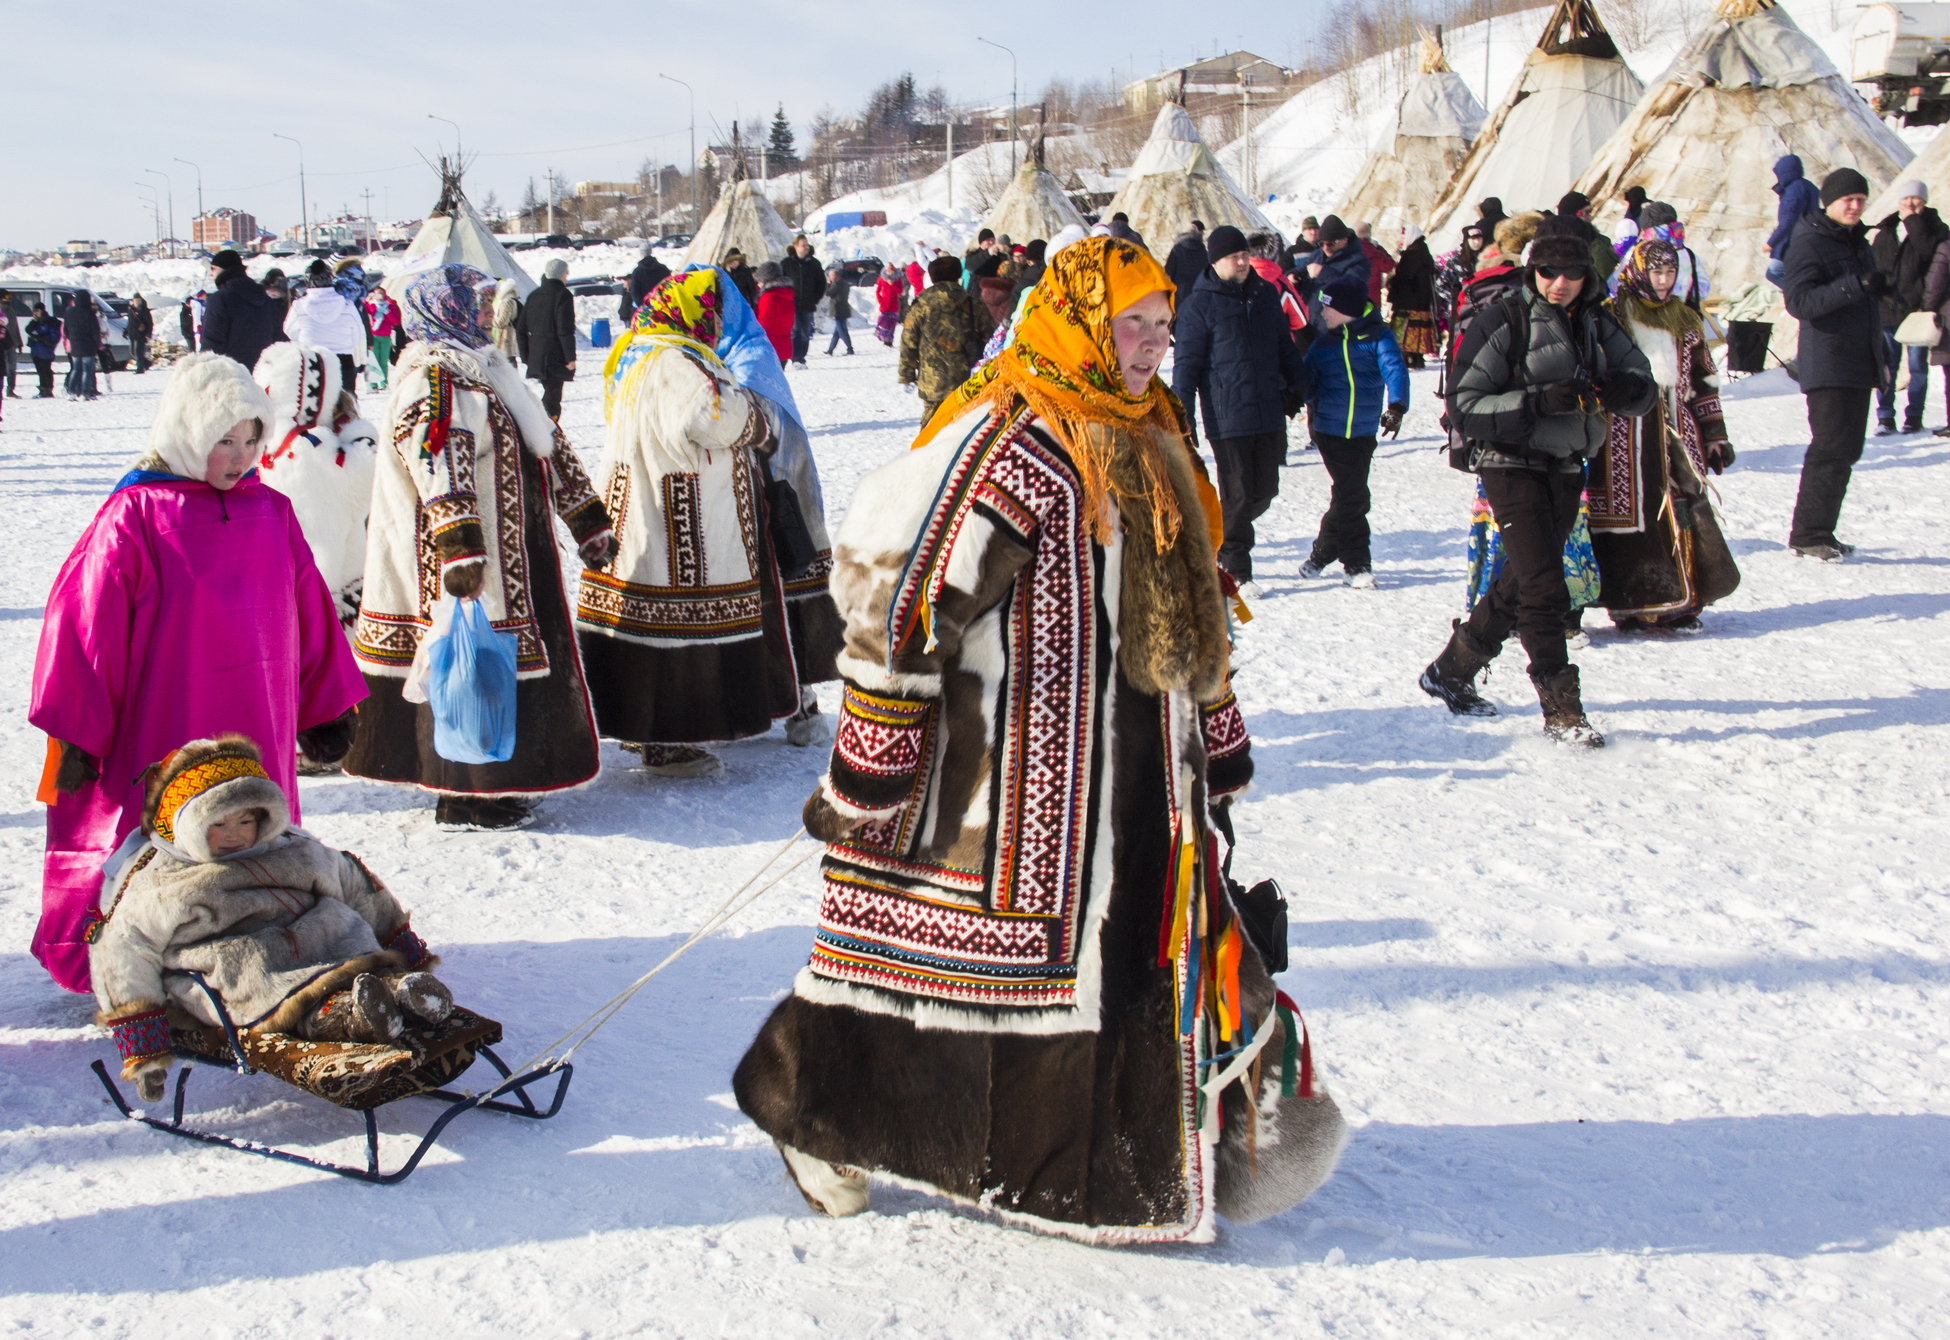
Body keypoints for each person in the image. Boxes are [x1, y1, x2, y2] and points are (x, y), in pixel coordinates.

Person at [732, 234, 1344, 1239]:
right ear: (1079, 321)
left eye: (1157, 326)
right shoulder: (1011, 441)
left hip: (1138, 770)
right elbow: (908, 604)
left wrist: (1217, 742)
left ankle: (1133, 1157)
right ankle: (813, 1115)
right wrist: (874, 768)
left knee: (1133, 969)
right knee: (909, 972)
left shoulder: (1149, 433)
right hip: (1008, 780)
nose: (1147, 348)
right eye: (1127, 325)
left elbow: (1198, 609)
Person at [30, 353, 366, 992]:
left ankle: (253, 950)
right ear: (186, 432)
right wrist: (76, 733)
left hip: (256, 725)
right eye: (223, 441)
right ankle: (141, 961)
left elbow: (310, 613)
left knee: (253, 832)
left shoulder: (271, 512)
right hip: (165, 721)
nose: (239, 457)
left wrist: (325, 706)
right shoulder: (136, 515)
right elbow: (85, 626)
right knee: (164, 840)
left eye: (250, 441)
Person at [344, 264, 612, 830]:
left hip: (511, 546)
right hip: (462, 558)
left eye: (488, 302)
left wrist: (586, 520)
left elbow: (546, 444)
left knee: (488, 663)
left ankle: (491, 784)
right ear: (447, 309)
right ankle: (466, 794)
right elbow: (440, 465)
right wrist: (462, 553)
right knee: (462, 663)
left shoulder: (486, 369)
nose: (490, 313)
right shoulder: (435, 379)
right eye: (479, 303)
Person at [87, 734, 453, 1103]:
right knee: (267, 976)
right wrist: (144, 1049)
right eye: (217, 826)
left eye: (245, 821)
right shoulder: (160, 880)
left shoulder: (293, 846)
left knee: (341, 922)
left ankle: (398, 992)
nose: (234, 836)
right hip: (236, 971)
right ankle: (349, 1015)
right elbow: (122, 953)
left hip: (320, 941)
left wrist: (404, 950)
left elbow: (357, 885)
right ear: (187, 825)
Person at [1416, 220, 1656, 747]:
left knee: (1525, 578)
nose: (1560, 283)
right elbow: (1466, 404)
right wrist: (1537, 402)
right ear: (1533, 272)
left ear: (1586, 277)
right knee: (1546, 586)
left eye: (1571, 273)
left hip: (1568, 464)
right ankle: (1563, 711)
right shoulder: (1504, 319)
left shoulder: (1598, 323)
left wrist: (1621, 386)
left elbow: (1645, 387)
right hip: (1509, 461)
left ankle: (1450, 670)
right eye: (1549, 272)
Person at [575, 269, 819, 775]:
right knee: (675, 625)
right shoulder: (673, 360)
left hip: (653, 505)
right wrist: (756, 419)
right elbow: (707, 416)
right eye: (706, 311)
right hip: (680, 517)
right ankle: (667, 740)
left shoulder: (641, 353)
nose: (711, 320)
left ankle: (649, 732)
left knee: (649, 624)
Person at [1588, 238, 1740, 631]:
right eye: (1656, 271)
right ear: (1638, 270)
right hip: (1625, 434)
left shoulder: (1686, 320)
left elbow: (1705, 380)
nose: (1663, 279)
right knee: (1632, 518)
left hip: (1677, 431)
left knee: (1683, 509)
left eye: (1670, 272)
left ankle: (1683, 603)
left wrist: (1715, 436)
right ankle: (1632, 604)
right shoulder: (1613, 315)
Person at [1171, 225, 1309, 589]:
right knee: (1239, 493)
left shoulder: (1264, 295)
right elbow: (1186, 366)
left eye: (1245, 254)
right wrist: (1182, 416)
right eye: (1235, 256)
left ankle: (1219, 535)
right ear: (1216, 261)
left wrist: (1299, 384)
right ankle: (1236, 568)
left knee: (1265, 491)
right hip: (1227, 412)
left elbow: (1284, 345)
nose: (1244, 260)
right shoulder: (1197, 306)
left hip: (1267, 408)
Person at [1783, 168, 1883, 561]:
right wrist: (1854, 286)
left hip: (1856, 360)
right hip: (1829, 362)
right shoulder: (1810, 242)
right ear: (1829, 202)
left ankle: (1821, 530)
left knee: (1847, 449)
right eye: (1848, 200)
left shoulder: (1856, 242)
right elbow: (1800, 302)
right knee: (1830, 447)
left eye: (1861, 199)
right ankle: (1808, 534)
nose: (1855, 206)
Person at [252, 342, 380, 629]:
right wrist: (357, 430)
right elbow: (368, 478)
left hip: (278, 574)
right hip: (328, 584)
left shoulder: (264, 439)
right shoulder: (315, 445)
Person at [1299, 279, 1408, 589]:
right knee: (1354, 495)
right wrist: (1290, 393)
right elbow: (1306, 382)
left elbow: (1395, 370)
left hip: (1363, 430)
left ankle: (1321, 554)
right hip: (1329, 431)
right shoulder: (1323, 345)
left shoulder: (1378, 338)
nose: (1322, 312)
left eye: (1328, 306)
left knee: (1349, 495)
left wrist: (1397, 406)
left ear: (1345, 309)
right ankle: (1356, 564)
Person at [1870, 181, 1947, 434]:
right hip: (1887, 307)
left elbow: (1927, 251)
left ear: (1925, 201)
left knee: (1917, 367)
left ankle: (1914, 416)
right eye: (1906, 199)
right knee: (1888, 365)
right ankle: (1885, 417)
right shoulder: (1886, 230)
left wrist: (1913, 222)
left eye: (1917, 199)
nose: (1911, 203)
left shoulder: (1936, 229)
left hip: (1917, 310)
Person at [897, 255, 993, 425]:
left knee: (931, 429)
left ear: (932, 277)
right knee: (965, 427)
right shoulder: (974, 305)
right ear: (958, 275)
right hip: (968, 381)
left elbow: (909, 342)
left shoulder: (921, 306)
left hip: (932, 380)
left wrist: (907, 374)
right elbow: (989, 341)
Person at [284, 260, 366, 392]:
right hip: (343, 360)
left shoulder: (299, 306)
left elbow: (289, 331)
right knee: (345, 404)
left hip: (312, 359)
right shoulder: (347, 305)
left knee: (315, 406)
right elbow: (358, 335)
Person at [201, 250, 285, 373]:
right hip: (262, 375)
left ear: (223, 270)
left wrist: (203, 371)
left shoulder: (220, 299)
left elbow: (212, 344)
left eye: (212, 268)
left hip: (232, 377)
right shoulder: (267, 301)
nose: (210, 274)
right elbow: (278, 340)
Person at [516, 258, 578, 420]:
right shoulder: (563, 295)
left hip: (537, 355)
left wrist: (526, 356)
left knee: (550, 393)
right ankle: (549, 428)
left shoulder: (534, 295)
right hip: (555, 355)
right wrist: (570, 357)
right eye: (566, 272)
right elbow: (564, 329)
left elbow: (521, 329)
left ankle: (546, 425)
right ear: (562, 274)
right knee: (553, 396)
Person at [1294, 216, 1370, 331]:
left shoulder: (1358, 260)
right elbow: (1301, 268)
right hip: (1309, 322)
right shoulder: (1318, 254)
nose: (1325, 248)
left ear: (1344, 239)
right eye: (1321, 244)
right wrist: (1294, 276)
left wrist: (1323, 272)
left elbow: (1353, 287)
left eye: (1330, 244)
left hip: (1335, 329)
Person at [1388, 227, 1438, 369]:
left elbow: (1405, 276)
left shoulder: (1412, 254)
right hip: (1421, 299)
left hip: (1409, 300)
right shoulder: (1422, 250)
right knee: (1417, 330)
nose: (1403, 240)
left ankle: (1405, 358)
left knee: (1405, 331)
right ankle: (1417, 358)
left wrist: (1392, 281)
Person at [1766, 154, 1819, 287]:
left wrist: (1771, 243)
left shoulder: (1793, 191)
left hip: (1792, 241)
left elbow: (1788, 222)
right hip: (1808, 237)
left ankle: (1799, 296)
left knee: (1774, 273)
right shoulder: (1807, 186)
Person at [781, 234, 826, 366]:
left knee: (806, 333)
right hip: (791, 304)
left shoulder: (814, 263)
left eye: (807, 245)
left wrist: (815, 299)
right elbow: (781, 282)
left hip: (808, 304)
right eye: (803, 245)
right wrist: (785, 299)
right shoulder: (786, 263)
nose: (807, 247)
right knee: (795, 331)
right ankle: (795, 358)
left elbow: (821, 283)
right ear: (796, 247)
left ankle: (802, 357)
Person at [1555, 191, 1619, 282]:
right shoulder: (1565, 250)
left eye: (1590, 212)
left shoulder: (1599, 239)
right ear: (1571, 217)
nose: (1590, 217)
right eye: (1584, 213)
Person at [1435, 222, 1487, 334]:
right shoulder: (1457, 260)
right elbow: (1440, 285)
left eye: (1479, 238)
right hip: (1462, 312)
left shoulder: (1487, 257)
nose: (1477, 242)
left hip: (1484, 306)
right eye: (1473, 239)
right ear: (1466, 240)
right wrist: (1457, 299)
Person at [62, 293, 104, 400]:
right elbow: (95, 331)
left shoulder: (69, 312)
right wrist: (98, 343)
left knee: (76, 369)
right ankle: (86, 393)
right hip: (88, 345)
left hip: (75, 344)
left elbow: (65, 330)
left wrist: (72, 338)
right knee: (87, 370)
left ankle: (71, 392)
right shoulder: (90, 313)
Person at [754, 261, 796, 364]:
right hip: (784, 345)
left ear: (766, 280)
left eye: (760, 280)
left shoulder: (768, 297)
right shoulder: (787, 294)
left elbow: (764, 322)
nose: (758, 284)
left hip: (769, 345)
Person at [621, 244, 673, 327]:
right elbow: (670, 287)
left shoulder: (637, 272)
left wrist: (643, 307)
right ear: (651, 252)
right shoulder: (663, 269)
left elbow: (635, 293)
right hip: (662, 309)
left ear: (641, 254)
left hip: (643, 310)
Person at [1165, 219, 1209, 311]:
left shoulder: (1177, 249)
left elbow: (1169, 270)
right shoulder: (1203, 251)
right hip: (1198, 292)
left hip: (1179, 291)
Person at [365, 284, 400, 390]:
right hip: (374, 336)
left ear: (384, 295)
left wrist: (387, 313)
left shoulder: (390, 306)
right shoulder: (373, 306)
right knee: (373, 360)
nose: (379, 296)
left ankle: (383, 382)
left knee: (383, 361)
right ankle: (373, 383)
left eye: (381, 294)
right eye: (377, 294)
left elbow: (396, 321)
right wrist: (367, 297)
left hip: (385, 336)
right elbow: (364, 307)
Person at [1355, 221, 1396, 308]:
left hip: (1353, 298)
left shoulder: (1347, 251)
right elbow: (1389, 265)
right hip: (1372, 300)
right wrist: (1379, 248)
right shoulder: (1376, 253)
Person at [26, 304, 60, 397]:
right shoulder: (36, 321)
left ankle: (48, 389)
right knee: (40, 371)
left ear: (42, 311)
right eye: (34, 310)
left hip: (45, 351)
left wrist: (40, 337)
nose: (35, 312)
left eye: (37, 310)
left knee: (46, 370)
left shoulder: (50, 321)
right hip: (36, 351)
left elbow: (54, 337)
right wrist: (34, 321)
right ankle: (42, 389)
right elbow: (28, 330)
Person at [824, 264, 855, 355]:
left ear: (834, 276)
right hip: (844, 308)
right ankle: (830, 350)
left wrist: (828, 284)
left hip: (838, 309)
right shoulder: (844, 282)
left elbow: (828, 293)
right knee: (837, 332)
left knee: (842, 331)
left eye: (830, 276)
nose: (829, 278)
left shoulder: (836, 284)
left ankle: (850, 349)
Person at [491, 278, 522, 361]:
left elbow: (501, 322)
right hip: (508, 341)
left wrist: (489, 320)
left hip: (505, 342)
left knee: (507, 367)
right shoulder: (512, 300)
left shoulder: (507, 302)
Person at [873, 263, 903, 346]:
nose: (890, 273)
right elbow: (877, 291)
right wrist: (881, 301)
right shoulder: (881, 279)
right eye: (889, 271)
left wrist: (892, 284)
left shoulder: (898, 279)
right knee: (882, 321)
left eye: (892, 272)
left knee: (892, 323)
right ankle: (882, 336)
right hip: (885, 304)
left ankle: (889, 340)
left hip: (894, 304)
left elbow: (900, 291)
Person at [124, 293, 153, 374]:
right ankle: (146, 363)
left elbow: (149, 323)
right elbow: (130, 322)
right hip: (132, 334)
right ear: (133, 301)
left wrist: (148, 334)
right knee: (133, 352)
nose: (137, 302)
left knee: (138, 352)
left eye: (138, 300)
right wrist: (126, 331)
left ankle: (140, 369)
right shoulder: (131, 310)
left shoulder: (144, 310)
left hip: (141, 334)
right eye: (135, 301)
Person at [0, 290, 18, 397]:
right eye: (6, 296)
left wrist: (18, 342)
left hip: (11, 342)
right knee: (4, 367)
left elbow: (15, 327)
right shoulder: (1, 311)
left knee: (12, 367)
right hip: (3, 343)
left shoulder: (11, 310)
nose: (8, 299)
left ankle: (10, 389)